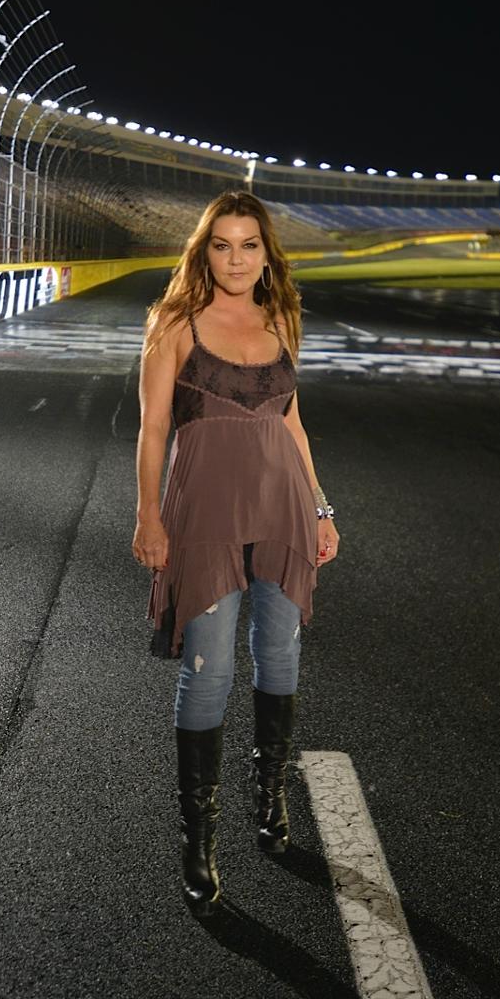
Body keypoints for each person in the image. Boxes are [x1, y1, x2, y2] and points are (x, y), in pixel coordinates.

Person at [133, 190, 339, 918]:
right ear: (204, 252)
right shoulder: (174, 323)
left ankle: (270, 796)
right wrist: (148, 514)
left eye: (249, 244)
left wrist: (321, 507)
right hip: (205, 510)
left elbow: (292, 422)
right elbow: (153, 428)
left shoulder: (282, 319)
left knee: (279, 655)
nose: (236, 258)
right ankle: (199, 840)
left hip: (283, 504)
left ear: (266, 254)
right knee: (210, 668)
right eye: (222, 244)